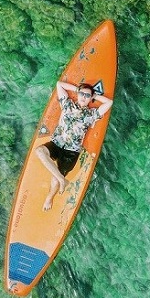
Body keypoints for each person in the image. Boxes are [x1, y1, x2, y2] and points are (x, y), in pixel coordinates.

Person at [35, 81, 113, 211]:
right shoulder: (67, 104)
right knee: (39, 151)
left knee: (55, 179)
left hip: (71, 152)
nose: (83, 97)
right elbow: (59, 84)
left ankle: (49, 197)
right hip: (56, 143)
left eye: (87, 96)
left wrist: (93, 95)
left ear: (90, 99)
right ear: (77, 94)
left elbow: (108, 103)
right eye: (82, 94)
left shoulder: (91, 115)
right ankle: (62, 180)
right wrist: (78, 89)